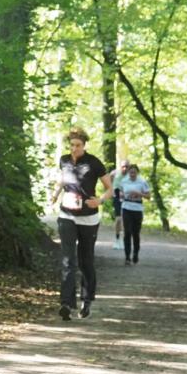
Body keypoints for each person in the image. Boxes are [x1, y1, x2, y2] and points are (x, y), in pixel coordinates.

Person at [50, 128, 113, 320]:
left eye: (78, 145)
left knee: (86, 261)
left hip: (88, 219)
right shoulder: (64, 160)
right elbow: (62, 180)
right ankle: (66, 304)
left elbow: (110, 189)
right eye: (72, 145)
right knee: (68, 260)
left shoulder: (94, 163)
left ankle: (87, 300)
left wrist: (100, 200)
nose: (74, 148)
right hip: (67, 215)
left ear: (84, 145)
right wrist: (55, 194)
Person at [119, 163, 152, 265]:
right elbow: (120, 193)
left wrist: (139, 194)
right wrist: (122, 195)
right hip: (126, 207)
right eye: (131, 172)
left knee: (135, 233)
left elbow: (148, 196)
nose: (132, 174)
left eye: (134, 172)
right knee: (127, 232)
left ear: (138, 172)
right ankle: (127, 257)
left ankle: (135, 253)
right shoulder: (124, 181)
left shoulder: (142, 182)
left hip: (137, 209)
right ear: (128, 172)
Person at [111, 160, 129, 249]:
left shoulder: (131, 175)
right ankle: (117, 239)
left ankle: (124, 240)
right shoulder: (115, 173)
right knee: (118, 219)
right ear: (120, 166)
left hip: (127, 197)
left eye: (127, 166)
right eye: (123, 166)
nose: (125, 168)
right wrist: (111, 190)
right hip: (117, 196)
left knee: (126, 220)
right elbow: (109, 180)